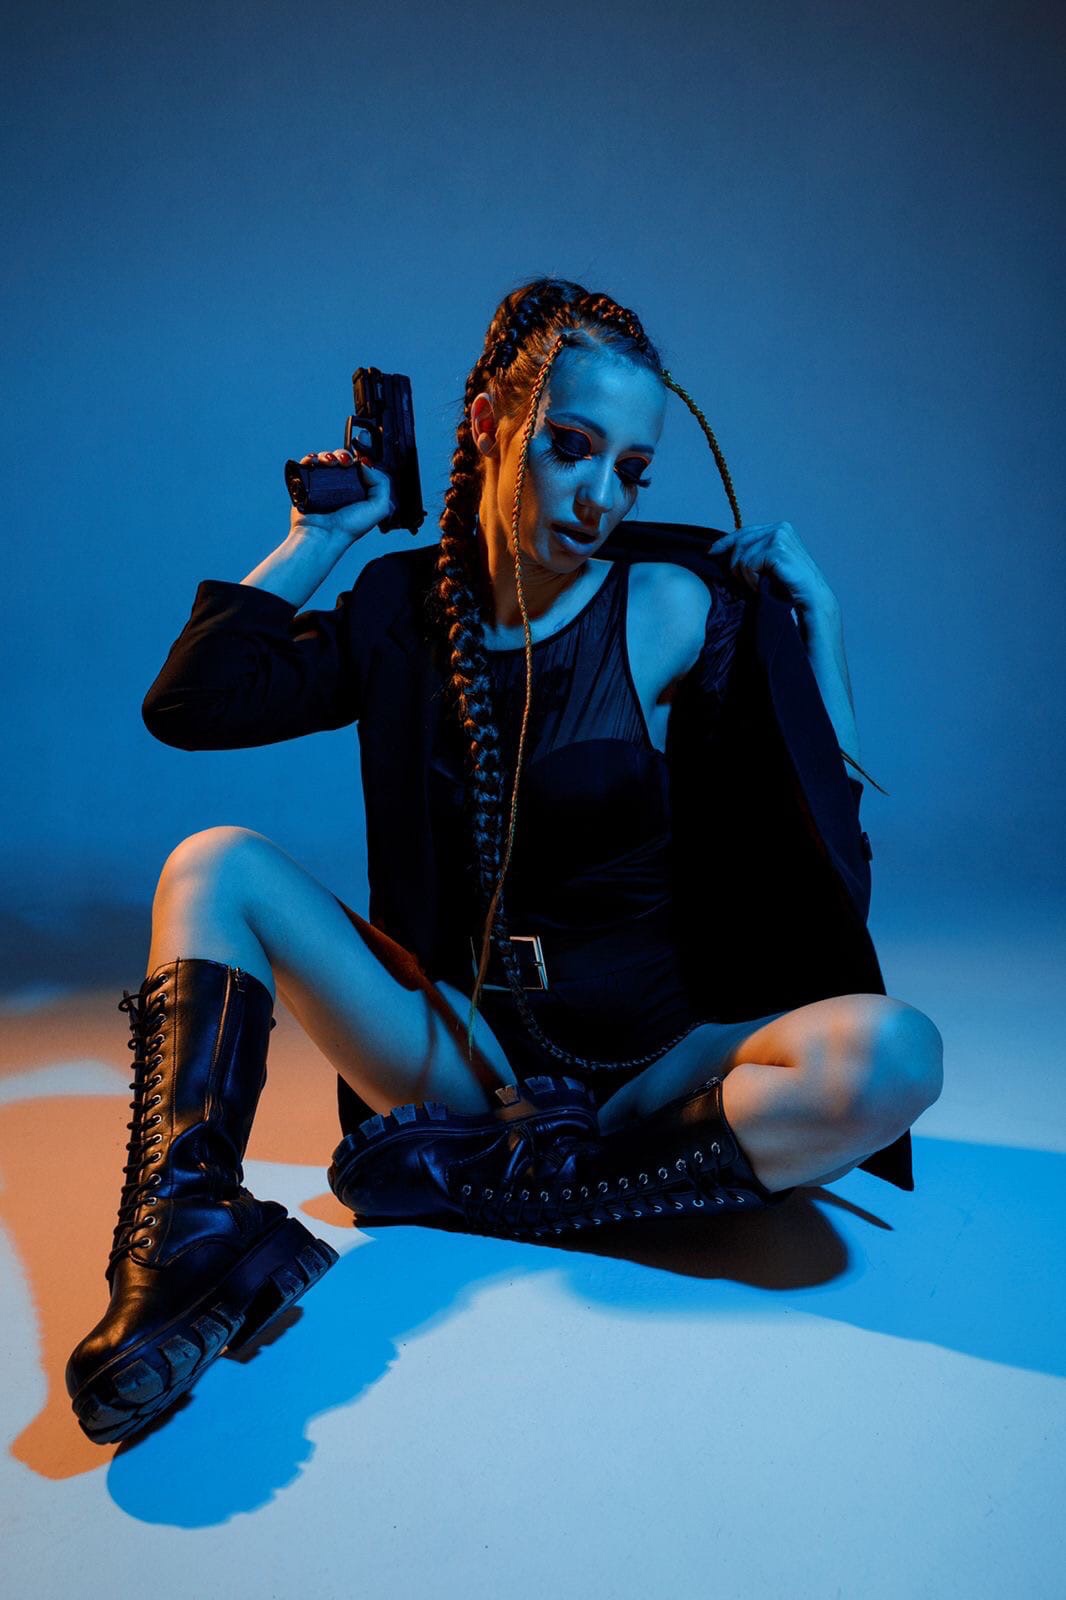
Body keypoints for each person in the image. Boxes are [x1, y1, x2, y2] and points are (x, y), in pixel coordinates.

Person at [66, 277, 943, 1444]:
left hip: (655, 1067)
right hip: (463, 1064)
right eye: (571, 446)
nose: (599, 498)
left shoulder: (668, 607)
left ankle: (496, 1189)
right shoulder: (397, 608)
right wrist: (322, 537)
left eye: (631, 469)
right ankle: (189, 1242)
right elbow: (191, 703)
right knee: (212, 863)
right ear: (488, 423)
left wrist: (816, 623)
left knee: (895, 1055)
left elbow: (825, 848)